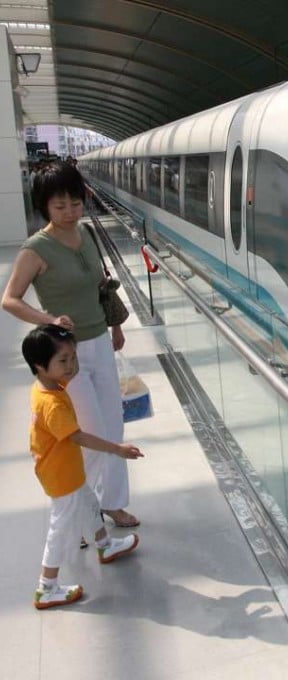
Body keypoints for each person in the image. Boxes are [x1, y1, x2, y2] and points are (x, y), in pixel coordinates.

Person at [2, 162, 140, 528]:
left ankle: (112, 503)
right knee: (91, 432)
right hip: (67, 356)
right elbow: (10, 299)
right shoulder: (36, 248)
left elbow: (99, 287)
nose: (68, 212)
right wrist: (49, 321)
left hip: (100, 341)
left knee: (114, 426)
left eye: (75, 203)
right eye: (59, 205)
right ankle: (82, 508)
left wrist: (115, 327)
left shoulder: (86, 236)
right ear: (44, 206)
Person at [22, 325, 142, 609]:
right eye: (62, 361)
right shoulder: (53, 406)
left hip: (66, 469)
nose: (71, 365)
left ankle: (104, 545)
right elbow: (79, 436)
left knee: (89, 502)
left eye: (73, 357)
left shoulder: (47, 386)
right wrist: (117, 449)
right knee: (61, 528)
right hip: (61, 475)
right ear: (40, 366)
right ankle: (46, 587)